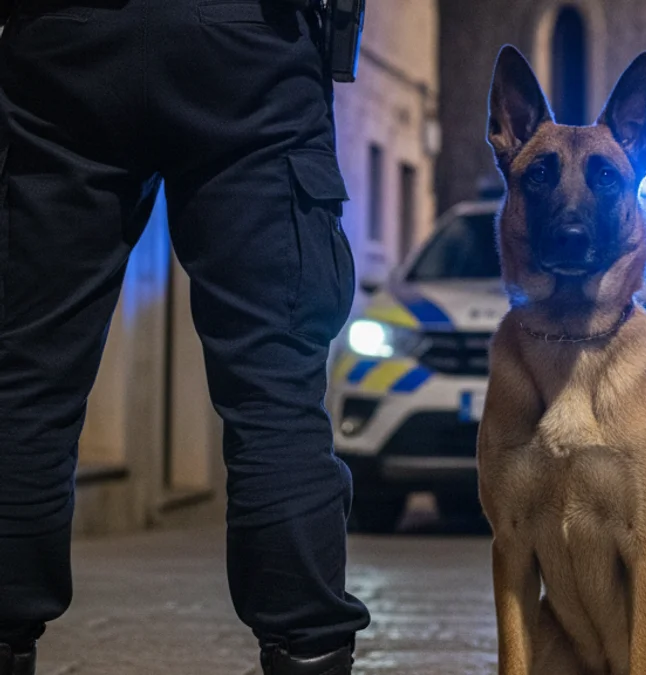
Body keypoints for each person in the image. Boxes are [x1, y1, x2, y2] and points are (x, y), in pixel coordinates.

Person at [0, 1, 370, 673]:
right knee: (274, 391)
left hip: (67, 39)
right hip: (249, 41)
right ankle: (307, 650)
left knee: (25, 379)